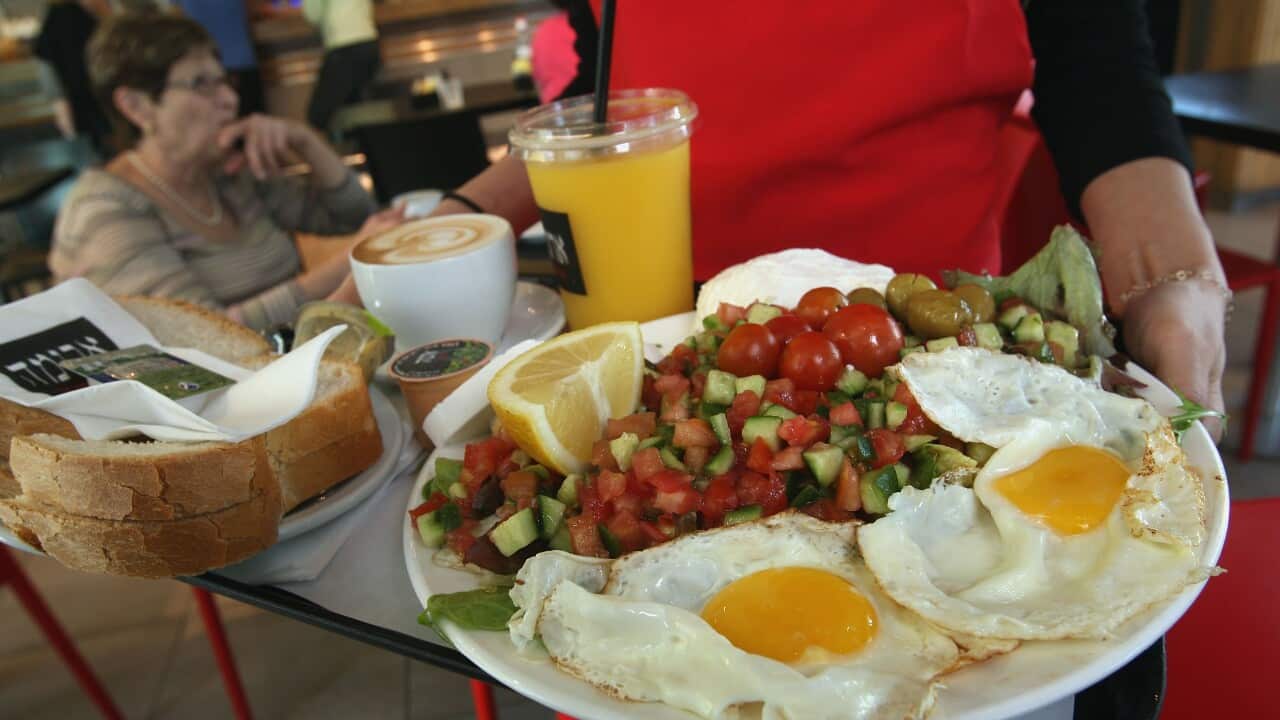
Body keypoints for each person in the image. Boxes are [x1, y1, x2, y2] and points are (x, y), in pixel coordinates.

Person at [432, 0, 1230, 439]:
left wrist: (1180, 284)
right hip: (666, 346)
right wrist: (452, 219)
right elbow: (598, 101)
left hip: (941, 357)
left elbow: (1101, 80)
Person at [49, 13, 394, 332]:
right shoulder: (106, 209)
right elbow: (199, 335)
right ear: (136, 106)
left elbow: (352, 216)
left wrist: (305, 141)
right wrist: (351, 263)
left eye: (224, 80)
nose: (229, 98)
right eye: (201, 83)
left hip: (285, 366)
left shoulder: (225, 174)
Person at [33, 0, 111, 153]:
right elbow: (49, 69)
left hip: (117, 106)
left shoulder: (126, 7)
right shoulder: (61, 16)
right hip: (88, 111)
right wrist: (63, 111)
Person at [175, 0, 266, 116]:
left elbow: (176, 21)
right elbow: (257, 10)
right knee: (252, 123)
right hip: (240, 62)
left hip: (204, 70)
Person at [302, 0, 380, 133]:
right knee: (354, 111)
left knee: (317, 117)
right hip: (369, 42)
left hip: (344, 47)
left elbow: (312, 14)